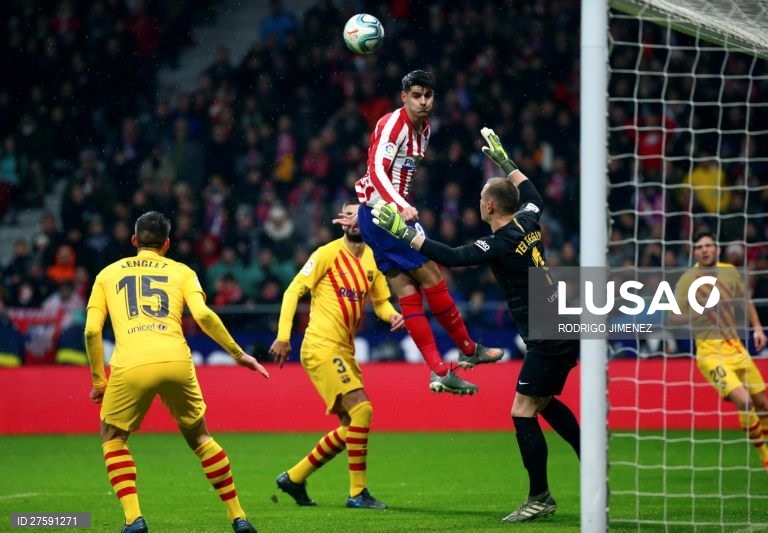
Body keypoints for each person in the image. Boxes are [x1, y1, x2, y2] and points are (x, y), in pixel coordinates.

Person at [370, 128, 581, 522]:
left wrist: (404, 234)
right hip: (562, 321)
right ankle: (590, 457)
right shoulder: (529, 220)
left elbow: (450, 256)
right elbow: (531, 194)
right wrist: (507, 163)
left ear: (488, 206)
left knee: (522, 411)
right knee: (544, 401)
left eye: (482, 199)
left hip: (545, 333)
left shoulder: (500, 241)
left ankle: (540, 498)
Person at [84, 211, 268, 533]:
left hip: (131, 363)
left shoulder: (107, 275)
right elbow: (204, 316)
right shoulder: (183, 272)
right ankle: (238, 517)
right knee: (200, 437)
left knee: (113, 437)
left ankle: (133, 520)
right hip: (176, 359)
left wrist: (100, 380)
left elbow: (90, 331)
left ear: (133, 241)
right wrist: (239, 355)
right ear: (167, 244)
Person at [350, 69, 502, 395]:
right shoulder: (394, 125)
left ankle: (439, 370)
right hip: (387, 215)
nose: (423, 101)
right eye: (416, 95)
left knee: (407, 292)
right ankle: (466, 347)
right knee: (433, 274)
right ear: (403, 96)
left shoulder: (425, 129)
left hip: (378, 216)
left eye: (428, 96)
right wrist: (396, 205)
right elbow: (376, 169)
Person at [269, 201, 403, 509]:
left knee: (350, 425)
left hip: (344, 349)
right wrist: (283, 336)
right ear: (341, 221)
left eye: (361, 216)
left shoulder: (374, 259)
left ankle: (294, 477)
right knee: (363, 410)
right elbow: (293, 291)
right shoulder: (326, 254)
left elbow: (380, 302)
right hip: (320, 345)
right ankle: (357, 493)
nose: (355, 222)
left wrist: (392, 314)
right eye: (349, 216)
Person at [671, 231, 768, 470]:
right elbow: (673, 317)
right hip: (710, 353)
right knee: (744, 401)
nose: (704, 250)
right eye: (699, 247)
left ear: (717, 249)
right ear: (694, 252)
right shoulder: (687, 280)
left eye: (708, 245)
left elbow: (745, 301)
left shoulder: (730, 272)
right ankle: (765, 458)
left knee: (763, 404)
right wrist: (697, 311)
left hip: (736, 348)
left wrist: (757, 328)